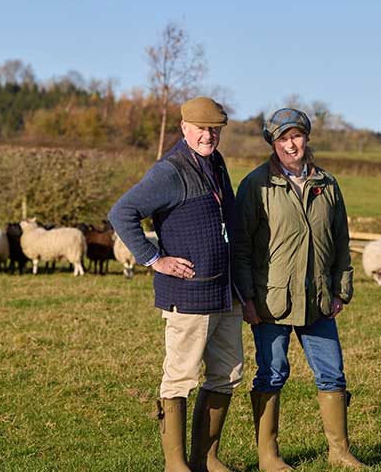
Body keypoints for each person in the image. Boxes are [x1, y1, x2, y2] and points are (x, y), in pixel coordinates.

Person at [108, 96, 242, 472]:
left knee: (227, 375)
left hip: (224, 291)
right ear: (184, 127)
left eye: (214, 130)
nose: (208, 136)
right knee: (180, 378)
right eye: (201, 129)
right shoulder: (170, 171)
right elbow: (122, 212)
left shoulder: (216, 163)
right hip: (189, 294)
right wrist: (155, 259)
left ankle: (206, 459)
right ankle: (176, 464)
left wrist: (243, 288)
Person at [232, 108, 365, 470]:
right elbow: (241, 247)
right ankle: (268, 456)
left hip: (318, 299)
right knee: (272, 373)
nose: (291, 145)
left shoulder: (327, 184)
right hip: (271, 300)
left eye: (296, 136)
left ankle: (339, 452)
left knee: (333, 373)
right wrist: (247, 298)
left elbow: (340, 241)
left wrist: (340, 290)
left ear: (306, 138)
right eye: (283, 139)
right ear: (273, 144)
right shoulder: (256, 185)